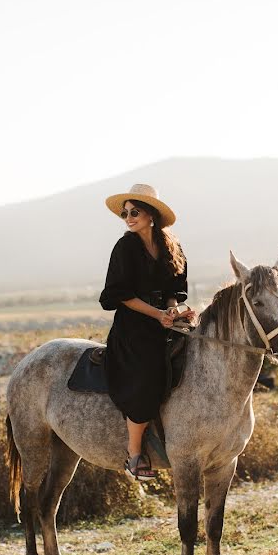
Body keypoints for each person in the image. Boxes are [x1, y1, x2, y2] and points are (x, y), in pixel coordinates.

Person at [99, 183, 197, 481]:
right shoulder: (125, 247)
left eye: (134, 212)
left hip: (162, 319)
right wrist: (157, 315)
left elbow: (173, 291)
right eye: (125, 213)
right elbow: (121, 295)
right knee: (147, 371)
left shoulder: (172, 246)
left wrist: (172, 311)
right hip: (133, 325)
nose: (128, 217)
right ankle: (135, 454)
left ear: (151, 215)